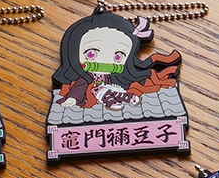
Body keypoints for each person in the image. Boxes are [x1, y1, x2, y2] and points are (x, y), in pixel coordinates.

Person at [51, 10, 181, 110]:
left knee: (116, 89)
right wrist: (73, 99)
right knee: (103, 91)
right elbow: (79, 88)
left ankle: (125, 97)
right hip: (94, 95)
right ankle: (111, 100)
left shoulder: (113, 76)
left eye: (118, 56)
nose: (106, 62)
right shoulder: (84, 78)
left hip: (111, 89)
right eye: (91, 53)